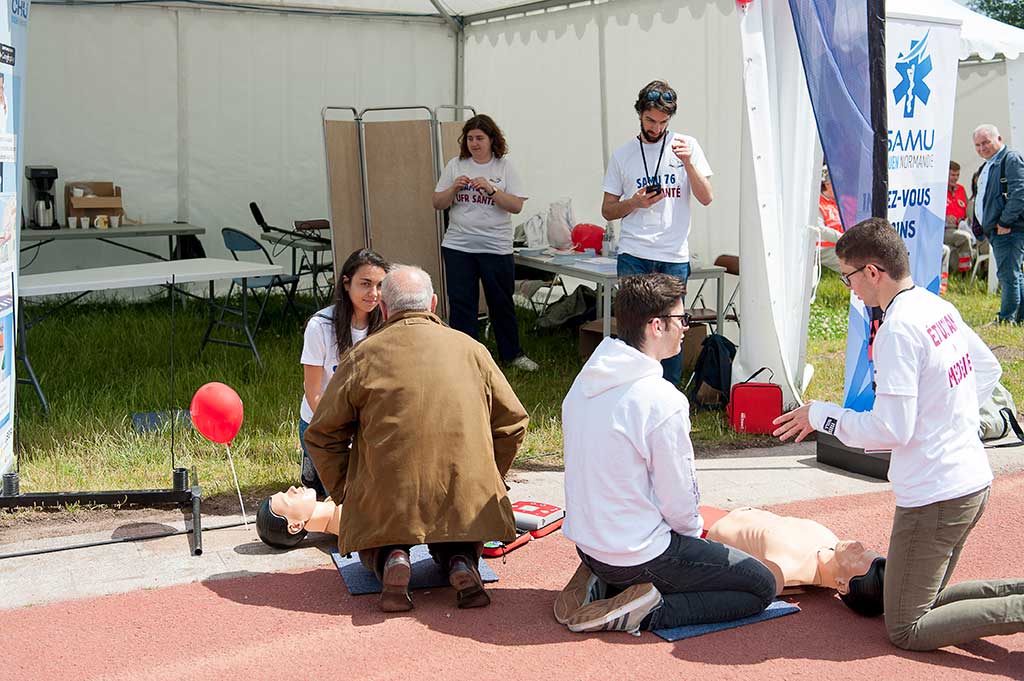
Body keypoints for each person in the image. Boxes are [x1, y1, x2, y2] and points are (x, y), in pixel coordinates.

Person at [773, 217, 1024, 651]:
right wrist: (947, 418)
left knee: (908, 626)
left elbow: (890, 428)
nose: (848, 286)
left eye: (848, 275)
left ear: (872, 272)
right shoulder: (936, 306)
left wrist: (822, 415)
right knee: (928, 601)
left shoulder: (897, 329)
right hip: (969, 481)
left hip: (935, 495)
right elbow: (988, 370)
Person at [557, 273, 775, 635]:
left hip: (588, 543)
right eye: (682, 320)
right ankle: (644, 610)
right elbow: (678, 502)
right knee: (759, 586)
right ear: (657, 326)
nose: (687, 328)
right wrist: (694, 540)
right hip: (635, 555)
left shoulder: (584, 381)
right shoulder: (662, 400)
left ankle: (605, 581)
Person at [304, 265, 529, 613]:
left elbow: (320, 435)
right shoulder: (473, 350)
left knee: (380, 533)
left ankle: (391, 557)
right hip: (464, 496)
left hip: (388, 495)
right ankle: (460, 561)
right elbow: (513, 422)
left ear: (384, 308)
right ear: (434, 304)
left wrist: (346, 489)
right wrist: (490, 477)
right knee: (462, 531)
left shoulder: (362, 357)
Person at [601, 80, 714, 387]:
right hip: (634, 253)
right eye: (650, 120)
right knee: (633, 327)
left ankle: (668, 392)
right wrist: (634, 202)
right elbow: (608, 210)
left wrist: (688, 163)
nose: (656, 127)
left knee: (673, 327)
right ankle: (629, 388)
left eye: (663, 122)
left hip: (673, 255)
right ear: (640, 114)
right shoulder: (623, 155)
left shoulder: (686, 146)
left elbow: (706, 197)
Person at [432, 114, 538, 372]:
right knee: (461, 304)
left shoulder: (504, 167)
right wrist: (453, 189)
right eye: (469, 138)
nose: (474, 143)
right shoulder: (455, 165)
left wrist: (491, 190)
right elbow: (437, 203)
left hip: (495, 247)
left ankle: (512, 354)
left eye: (479, 138)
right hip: (459, 246)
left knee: (501, 303)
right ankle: (465, 357)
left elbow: (516, 206)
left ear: (492, 140)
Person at [298, 249, 388, 497]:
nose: (374, 294)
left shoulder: (386, 323)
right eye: (365, 284)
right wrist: (343, 433)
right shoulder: (320, 326)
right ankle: (312, 466)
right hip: (322, 423)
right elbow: (313, 393)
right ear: (346, 284)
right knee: (344, 498)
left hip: (365, 422)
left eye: (380, 285)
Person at [700, 506, 884, 615]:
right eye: (865, 550)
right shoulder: (833, 543)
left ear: (842, 585)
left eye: (858, 557)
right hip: (722, 510)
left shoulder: (784, 570)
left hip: (700, 528)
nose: (858, 545)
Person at [973, 124, 1024, 324]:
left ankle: (1006, 318)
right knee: (1013, 273)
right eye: (977, 145)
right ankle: (1019, 317)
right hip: (997, 230)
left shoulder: (1010, 159)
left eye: (986, 142)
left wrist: (1004, 221)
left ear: (999, 139)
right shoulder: (989, 164)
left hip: (1008, 230)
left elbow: (1019, 193)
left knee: (1008, 275)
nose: (982, 148)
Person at [256, 486, 340, 549]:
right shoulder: (347, 515)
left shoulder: (336, 506)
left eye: (286, 492)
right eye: (288, 499)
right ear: (296, 526)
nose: (292, 488)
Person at [944, 160, 973, 275]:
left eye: (957, 175)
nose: (955, 178)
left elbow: (966, 209)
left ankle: (981, 270)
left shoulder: (961, 189)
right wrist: (945, 216)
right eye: (952, 175)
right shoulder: (939, 190)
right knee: (964, 238)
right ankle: (964, 274)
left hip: (962, 226)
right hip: (945, 230)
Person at [816, 165, 843, 272]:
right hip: (824, 248)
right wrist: (844, 239)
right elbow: (821, 230)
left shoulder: (841, 201)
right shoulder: (817, 204)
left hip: (842, 244)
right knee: (855, 265)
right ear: (827, 185)